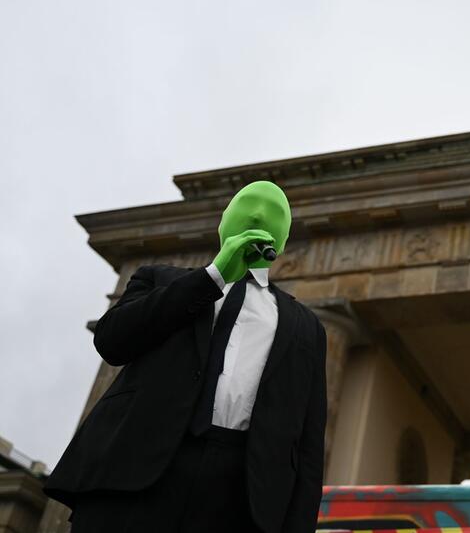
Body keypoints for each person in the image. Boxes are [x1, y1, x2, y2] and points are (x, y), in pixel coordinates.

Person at [44, 181, 327, 533]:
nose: (257, 214)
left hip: (241, 496)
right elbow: (112, 342)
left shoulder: (306, 327)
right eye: (247, 206)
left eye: (274, 212)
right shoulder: (159, 279)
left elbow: (309, 444)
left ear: (283, 240)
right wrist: (214, 277)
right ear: (223, 224)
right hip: (134, 477)